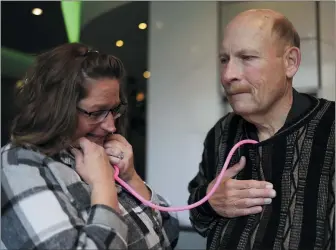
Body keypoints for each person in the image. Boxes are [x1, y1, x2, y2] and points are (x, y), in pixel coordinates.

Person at [1, 43, 179, 250]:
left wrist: (131, 177)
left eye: (114, 109)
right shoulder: (20, 166)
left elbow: (171, 232)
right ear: (54, 108)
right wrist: (103, 187)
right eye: (96, 112)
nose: (112, 126)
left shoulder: (97, 154)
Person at [188, 9, 334, 250]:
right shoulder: (221, 133)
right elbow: (198, 220)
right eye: (224, 60)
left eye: (247, 57)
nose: (228, 75)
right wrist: (210, 201)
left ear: (290, 62)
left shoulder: (331, 127)